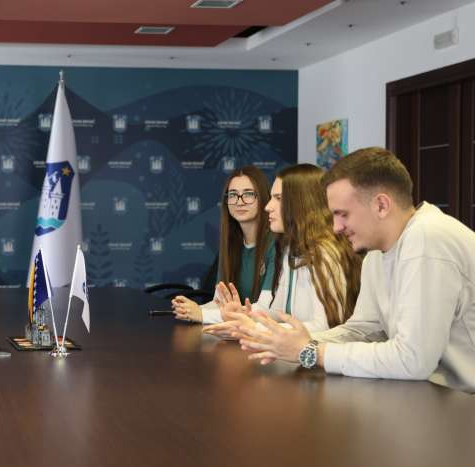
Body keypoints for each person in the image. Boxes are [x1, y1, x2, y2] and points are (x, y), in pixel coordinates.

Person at [232, 148, 475, 393]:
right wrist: (292, 342)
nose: (336, 227)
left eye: (343, 214)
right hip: (435, 396)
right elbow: (363, 331)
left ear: (381, 205)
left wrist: (312, 352)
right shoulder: (376, 254)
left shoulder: (428, 238)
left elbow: (412, 360)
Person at [205, 164, 361, 337]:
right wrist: (244, 315)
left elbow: (326, 326)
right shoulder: (290, 250)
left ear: (302, 203)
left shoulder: (325, 253)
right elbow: (277, 311)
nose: (268, 207)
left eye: (278, 198)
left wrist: (254, 327)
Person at [171, 166, 276, 324]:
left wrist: (201, 314)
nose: (239, 202)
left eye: (248, 194)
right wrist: (191, 310)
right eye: (233, 195)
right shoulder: (230, 245)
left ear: (264, 199)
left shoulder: (276, 243)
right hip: (236, 331)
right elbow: (219, 303)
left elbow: (265, 310)